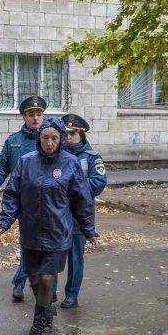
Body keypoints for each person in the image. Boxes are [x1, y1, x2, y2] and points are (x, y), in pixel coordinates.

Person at [0, 116, 98, 335]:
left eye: (54, 138)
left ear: (61, 139)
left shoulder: (70, 164)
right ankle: (47, 307)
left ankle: (36, 332)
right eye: (45, 138)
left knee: (48, 280)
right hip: (30, 231)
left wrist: (89, 228)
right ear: (39, 139)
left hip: (58, 232)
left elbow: (82, 200)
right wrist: (5, 221)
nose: (49, 143)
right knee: (35, 280)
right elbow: (12, 194)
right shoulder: (26, 162)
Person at [0, 95, 45, 303]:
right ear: (24, 117)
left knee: (38, 244)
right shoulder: (14, 141)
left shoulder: (50, 139)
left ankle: (25, 281)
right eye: (31, 115)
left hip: (46, 201)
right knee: (28, 242)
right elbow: (1, 167)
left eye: (39, 114)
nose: (35, 118)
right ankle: (25, 281)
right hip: (20, 200)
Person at [56, 113, 107, 309]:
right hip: (58, 214)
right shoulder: (57, 155)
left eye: (72, 134)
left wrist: (73, 186)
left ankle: (71, 294)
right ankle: (49, 292)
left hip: (79, 215)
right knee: (53, 255)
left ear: (82, 135)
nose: (67, 137)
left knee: (75, 258)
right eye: (65, 133)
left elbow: (98, 182)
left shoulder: (91, 157)